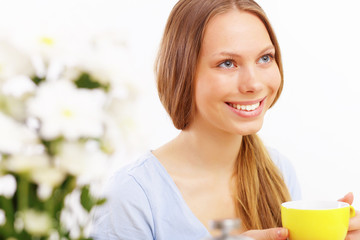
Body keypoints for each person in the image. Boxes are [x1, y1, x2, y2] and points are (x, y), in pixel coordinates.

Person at [91, 0, 360, 239]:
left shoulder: (279, 170)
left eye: (265, 58)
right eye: (228, 63)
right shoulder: (132, 196)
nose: (253, 83)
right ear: (183, 73)